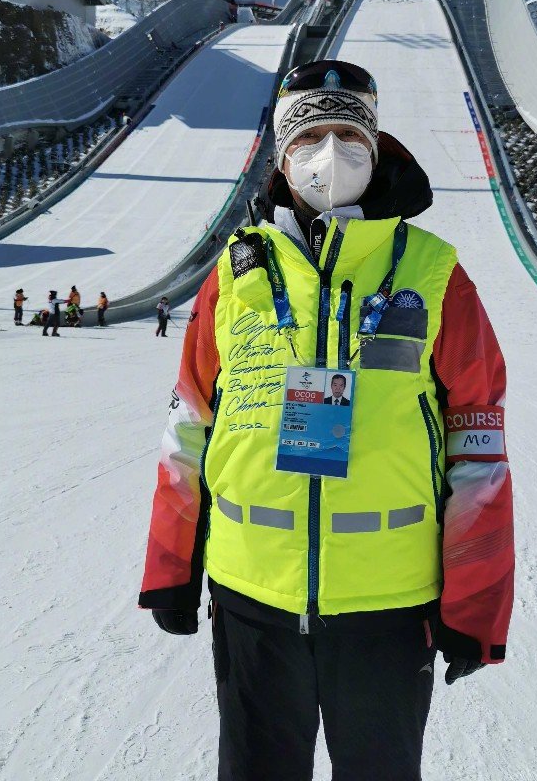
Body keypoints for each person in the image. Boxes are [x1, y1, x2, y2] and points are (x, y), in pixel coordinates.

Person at [138, 59, 514, 781]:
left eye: (349, 134)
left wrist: (476, 601)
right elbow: (189, 426)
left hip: (388, 606)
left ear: (375, 151)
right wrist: (172, 564)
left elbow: (478, 445)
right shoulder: (235, 274)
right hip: (252, 597)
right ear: (283, 157)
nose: (330, 153)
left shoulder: (434, 272)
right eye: (311, 136)